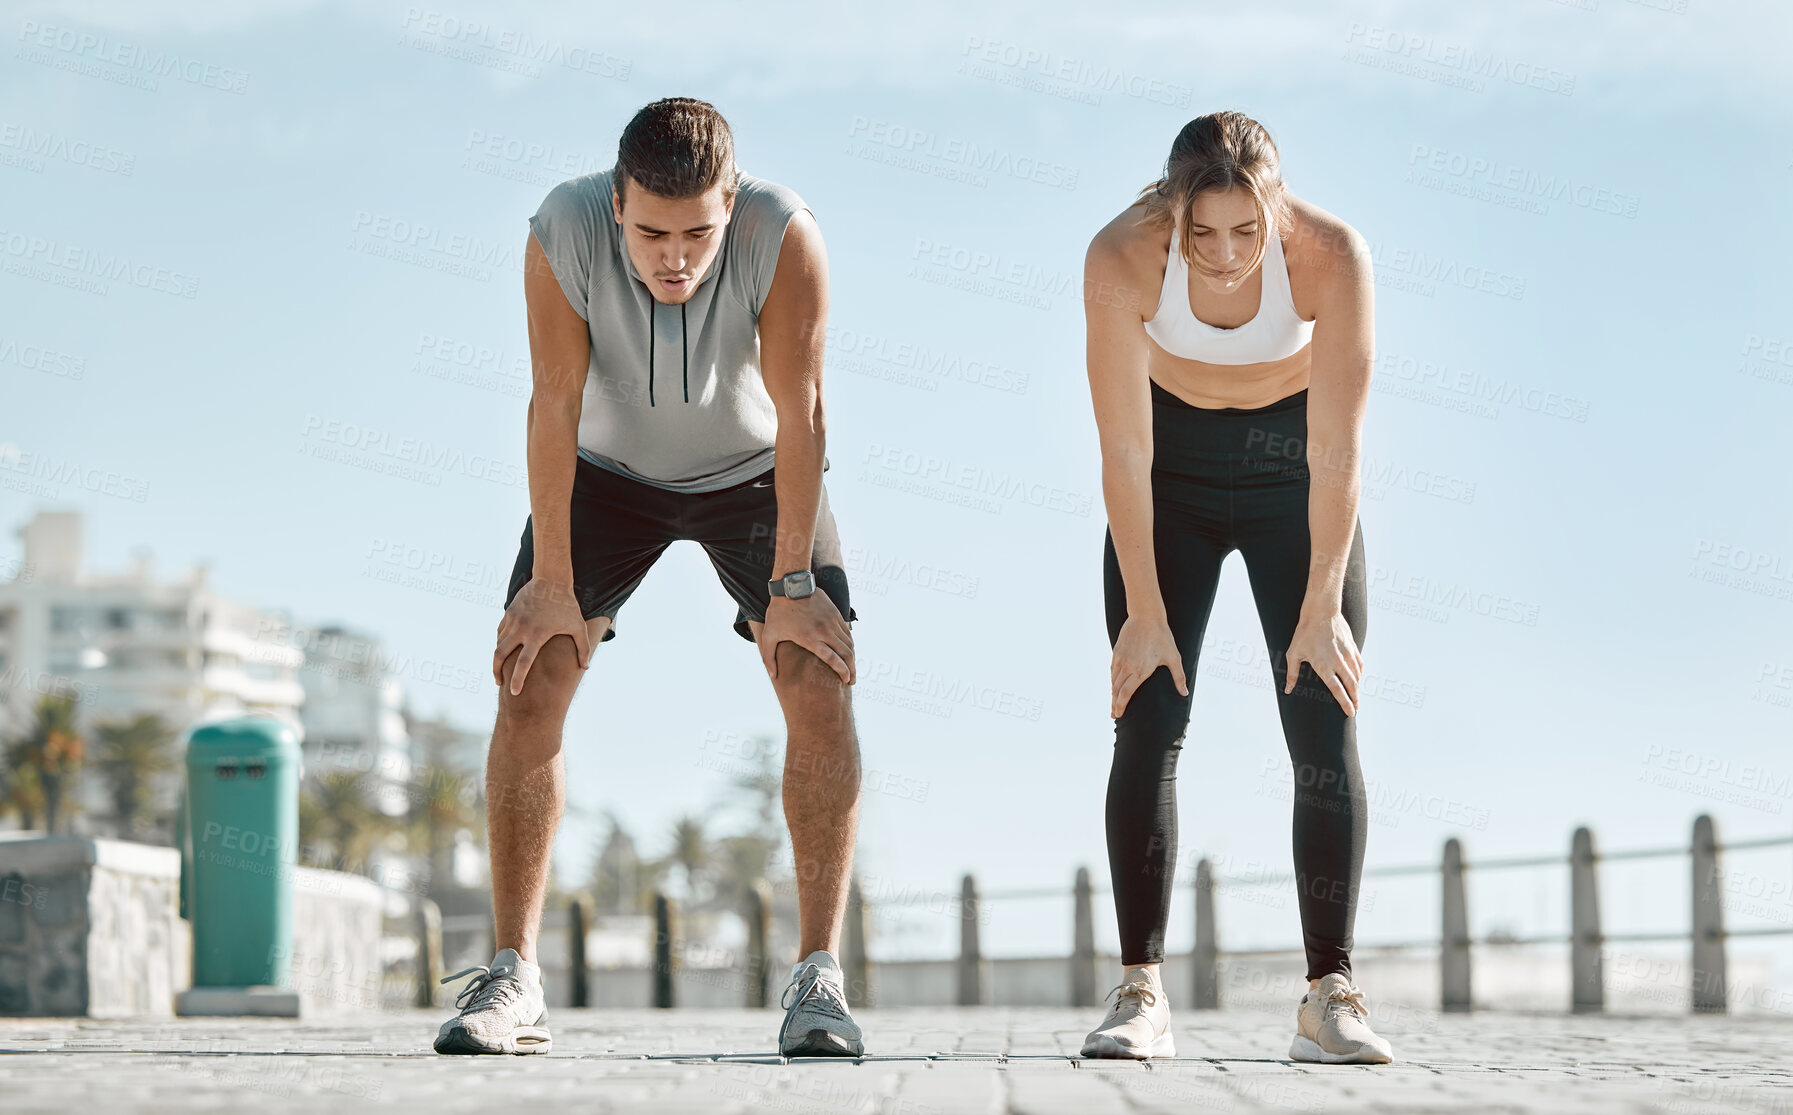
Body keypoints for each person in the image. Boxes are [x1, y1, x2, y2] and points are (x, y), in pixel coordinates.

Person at [433, 98, 865, 1058]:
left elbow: (803, 410)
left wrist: (792, 585)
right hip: (605, 477)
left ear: (732, 204)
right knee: (533, 669)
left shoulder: (783, 232)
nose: (676, 257)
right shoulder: (561, 227)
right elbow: (552, 400)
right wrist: (550, 581)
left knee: (816, 677)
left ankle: (818, 979)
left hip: (756, 475)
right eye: (653, 233)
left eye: (698, 233)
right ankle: (513, 974)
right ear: (616, 203)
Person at [1078, 110, 1393, 1065]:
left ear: (1276, 208)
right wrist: (1140, 611)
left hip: (1291, 476)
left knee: (1322, 716)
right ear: (1170, 211)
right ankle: (1140, 992)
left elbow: (1338, 448)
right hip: (1164, 477)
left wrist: (1320, 601)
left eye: (1245, 232)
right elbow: (1123, 448)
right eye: (1200, 232)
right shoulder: (1121, 254)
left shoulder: (1332, 256)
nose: (1221, 256)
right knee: (1150, 715)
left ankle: (1328, 994)